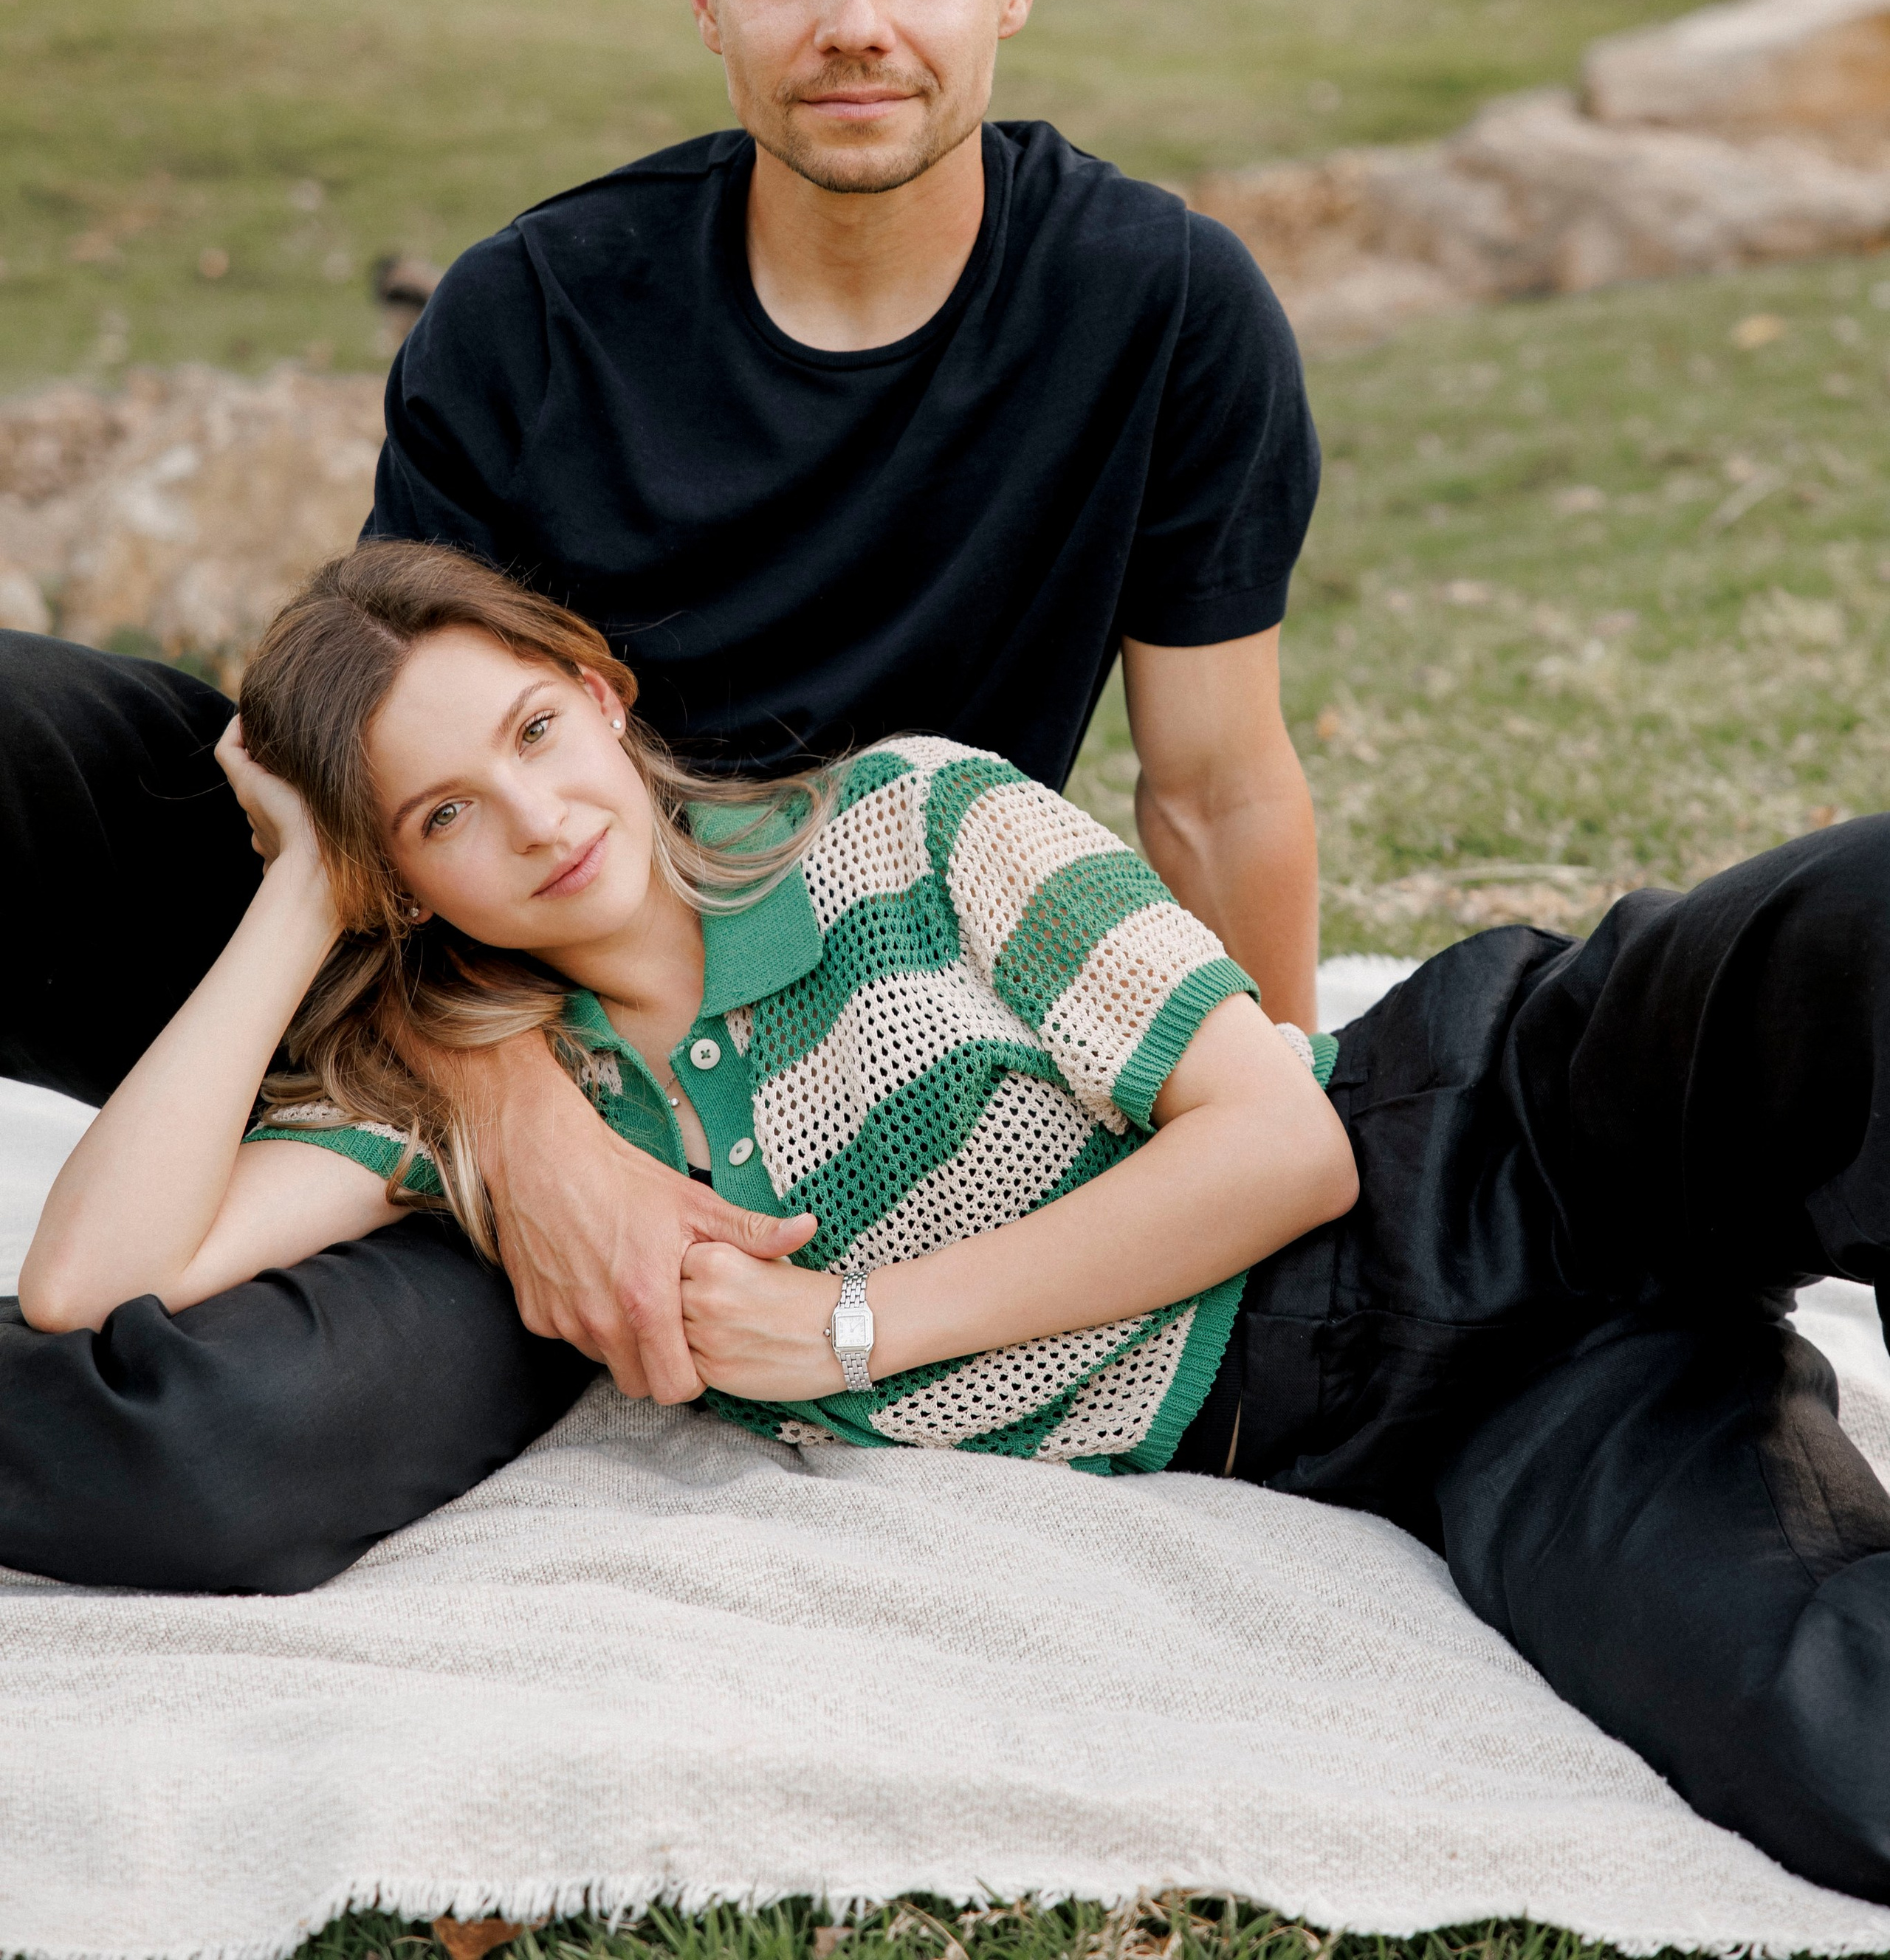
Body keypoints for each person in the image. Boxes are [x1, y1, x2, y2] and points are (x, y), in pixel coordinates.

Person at [20, 539, 1890, 1908]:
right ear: (399, 877)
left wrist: (855, 1328)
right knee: (1826, 1752)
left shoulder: (907, 820)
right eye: (441, 813)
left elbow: (1279, 1149)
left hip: (1488, 1126)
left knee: (1847, 954)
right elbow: (90, 1279)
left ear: (596, 687)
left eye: (530, 726)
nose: (533, 812)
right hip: (1443, 1426)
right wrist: (291, 904)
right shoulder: (475, 1112)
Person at [0, 0, 1322, 1588]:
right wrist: (511, 1112)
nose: (852, 23)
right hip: (447, 921)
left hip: (797, 1037)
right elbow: (401, 739)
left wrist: (1244, 1161)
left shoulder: (1160, 310)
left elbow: (1214, 789)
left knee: (196, 1450)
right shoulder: (536, 308)